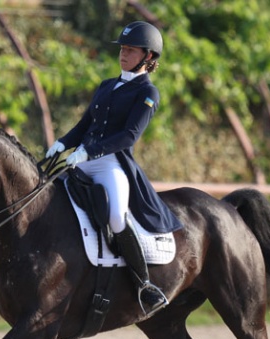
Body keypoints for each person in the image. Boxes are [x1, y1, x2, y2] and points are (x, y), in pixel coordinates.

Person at [46, 21, 182, 318]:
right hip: (82, 160)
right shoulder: (107, 85)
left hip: (111, 164)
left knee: (117, 219)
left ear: (148, 56)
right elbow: (85, 126)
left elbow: (129, 136)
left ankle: (144, 285)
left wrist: (87, 151)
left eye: (130, 50)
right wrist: (62, 143)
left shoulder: (148, 92)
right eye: (122, 49)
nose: (123, 54)